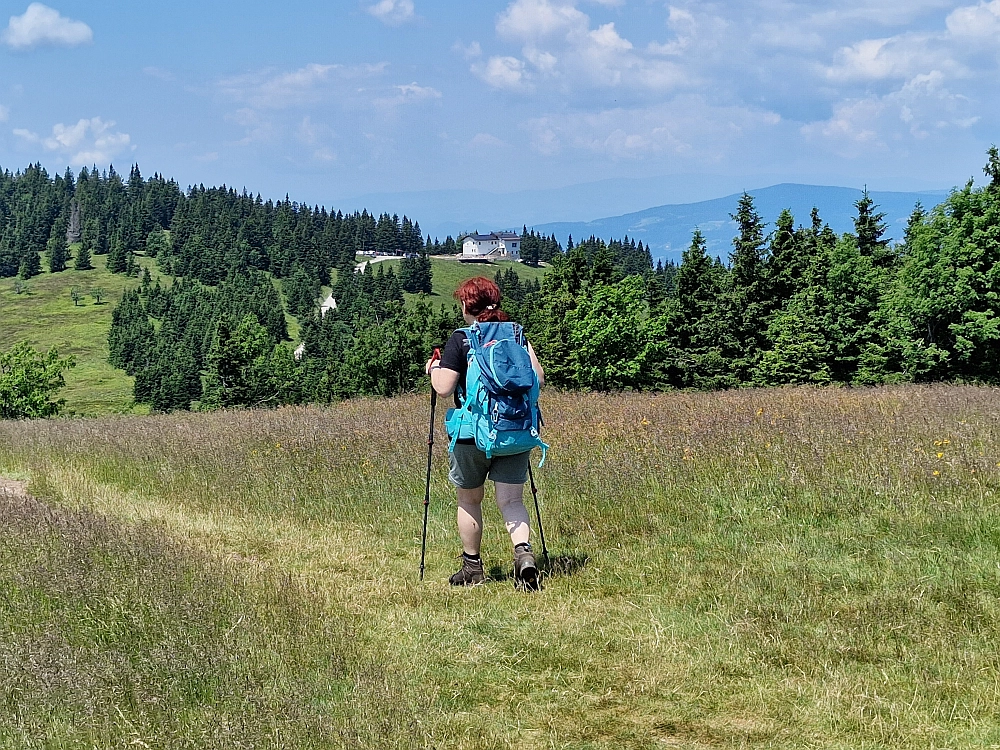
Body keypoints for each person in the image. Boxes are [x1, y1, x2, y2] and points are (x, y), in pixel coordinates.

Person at [425, 276, 545, 587]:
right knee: (512, 501)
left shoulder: (462, 339)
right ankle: (524, 555)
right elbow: (539, 379)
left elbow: (444, 388)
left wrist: (433, 368)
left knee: (469, 499)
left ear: (467, 306)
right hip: (515, 431)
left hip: (471, 433)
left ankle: (472, 569)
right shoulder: (517, 335)